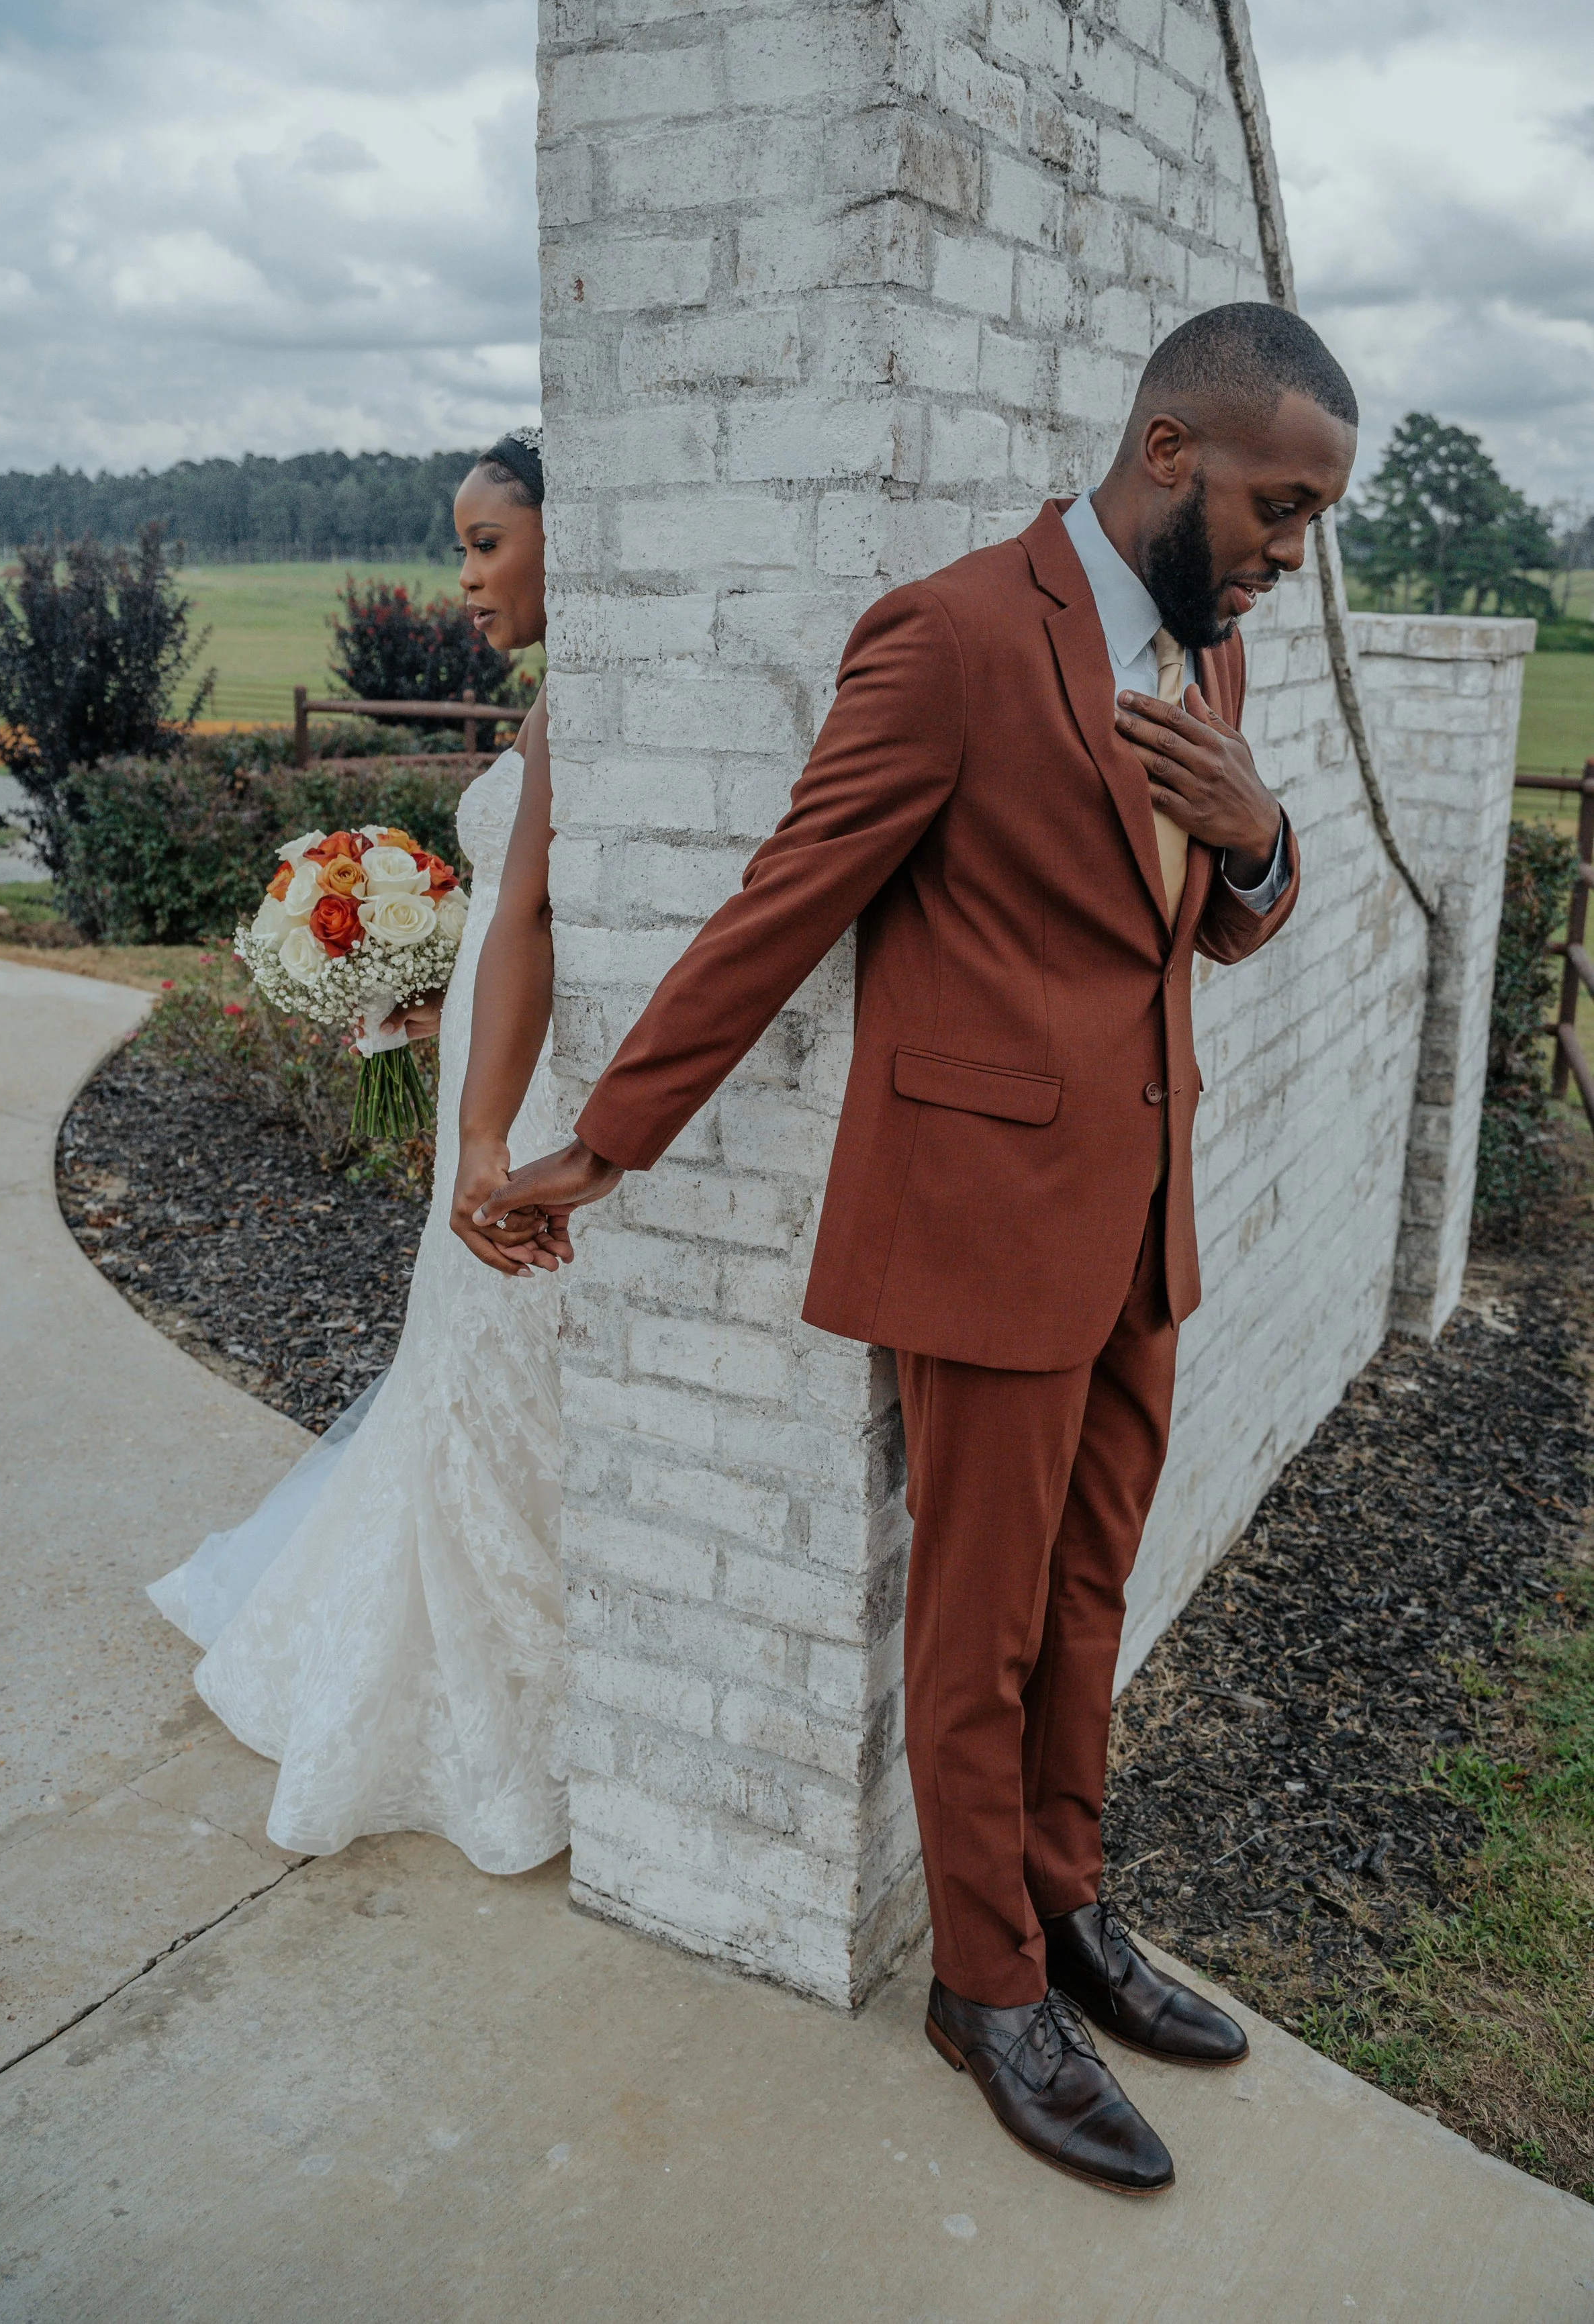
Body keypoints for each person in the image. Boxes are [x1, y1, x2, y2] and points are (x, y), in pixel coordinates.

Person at [473, 304, 1357, 2195]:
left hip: (1136, 1224)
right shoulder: (953, 634)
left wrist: (1260, 833)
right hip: (977, 1231)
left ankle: (1064, 1900)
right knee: (979, 1624)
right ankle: (984, 1986)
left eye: (1312, 518)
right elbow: (783, 903)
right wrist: (601, 1142)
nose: (1293, 550)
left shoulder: (1206, 666)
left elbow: (1205, 926)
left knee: (1092, 1589)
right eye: (1281, 505)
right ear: (1172, 449)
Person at [148, 428, 571, 1874]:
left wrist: (486, 1125)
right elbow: (520, 918)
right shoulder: (553, 703)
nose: (463, 576)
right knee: (457, 1381)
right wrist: (419, 979)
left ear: (566, 539)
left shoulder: (599, 706)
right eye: (460, 546)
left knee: (508, 1392)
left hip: (534, 1110)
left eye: (484, 542)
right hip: (496, 1085)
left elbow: (559, 928)